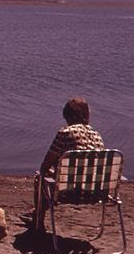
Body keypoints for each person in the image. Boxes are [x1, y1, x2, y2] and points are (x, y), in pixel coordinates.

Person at [28, 97, 105, 229]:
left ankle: (38, 220)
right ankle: (35, 213)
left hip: (68, 191)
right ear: (86, 115)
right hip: (95, 191)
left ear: (67, 115)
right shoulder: (96, 135)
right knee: (54, 176)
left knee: (40, 179)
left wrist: (51, 171)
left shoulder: (65, 133)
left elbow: (45, 165)